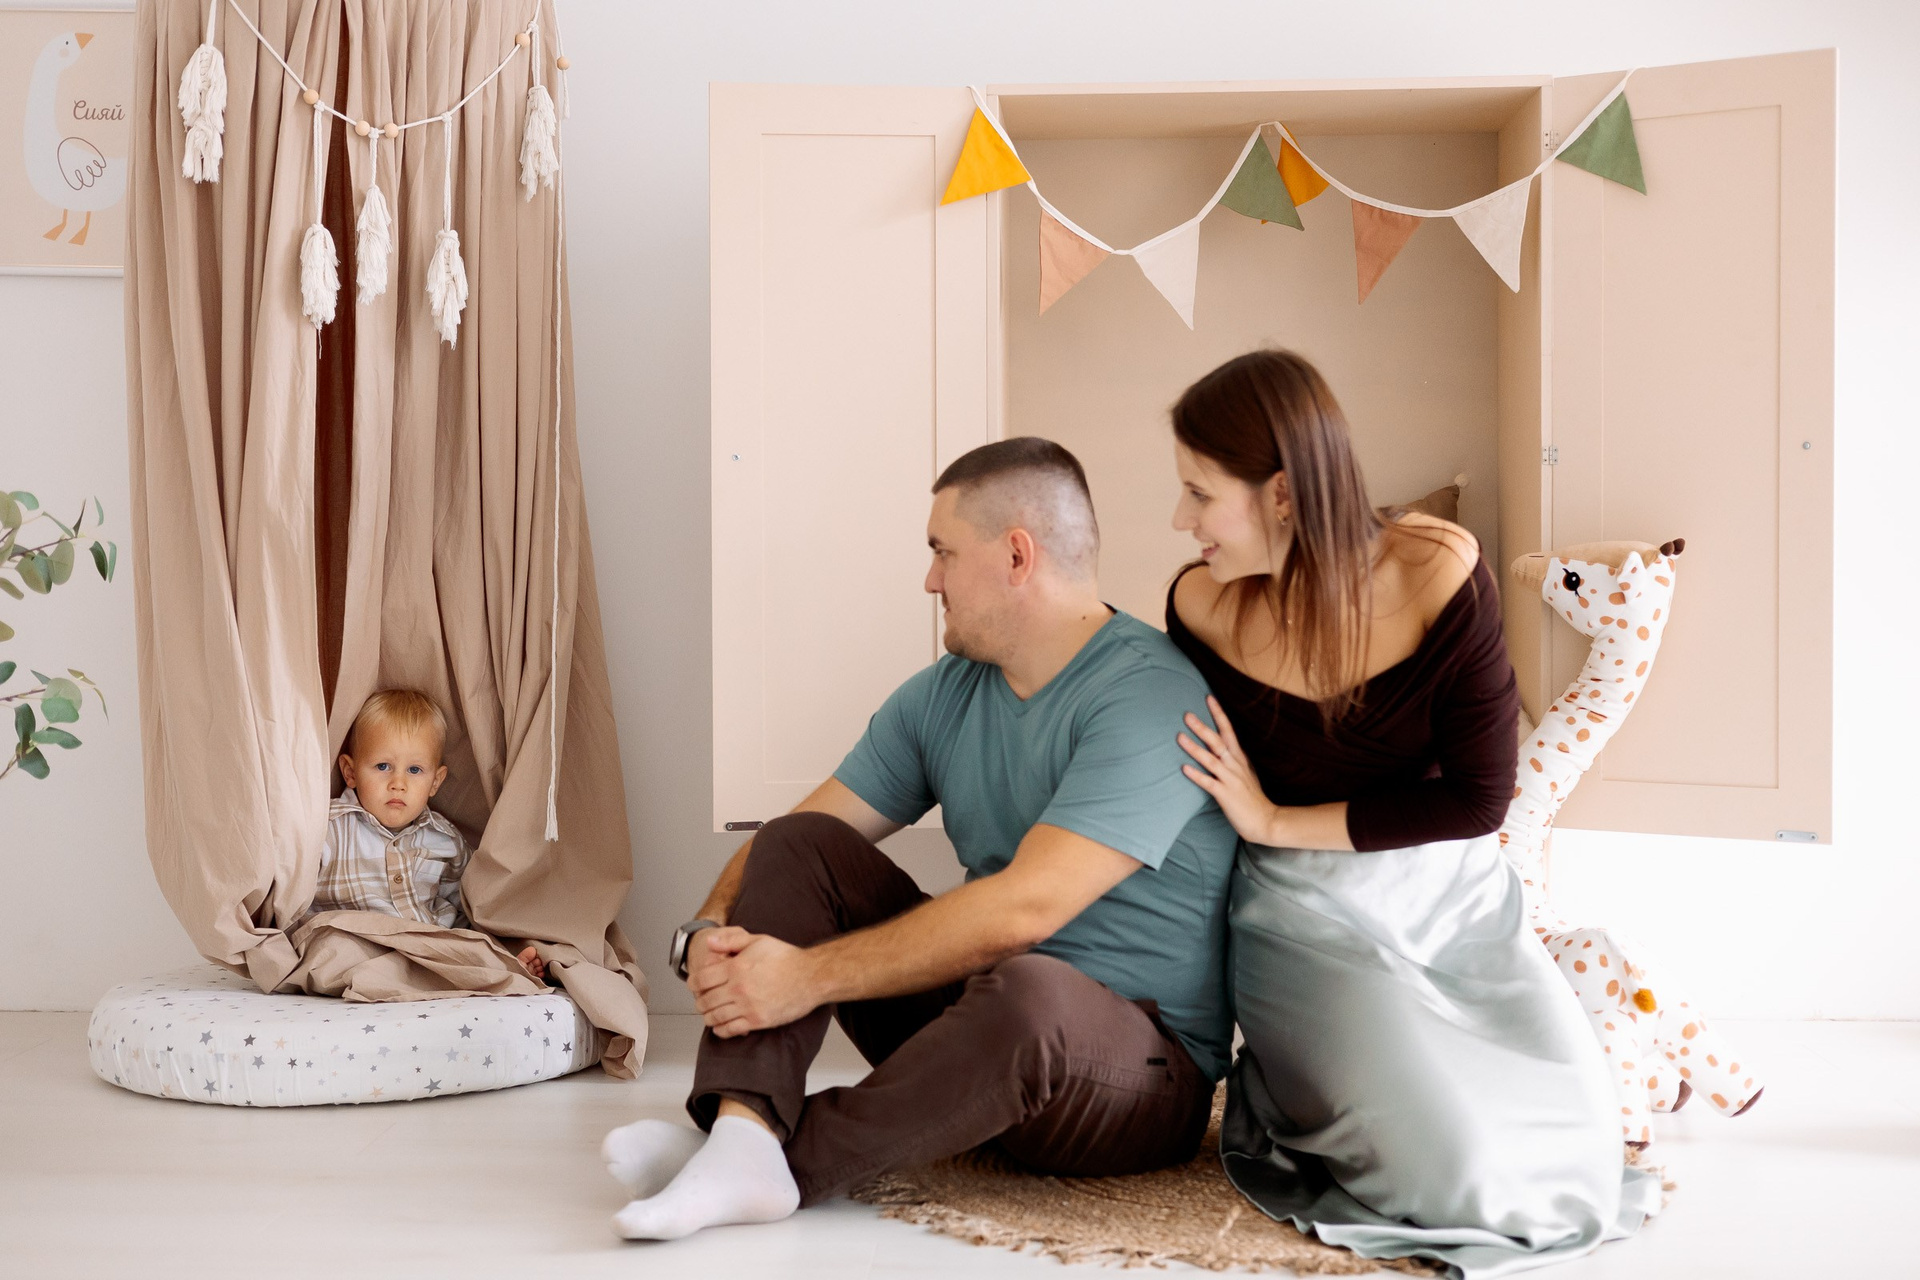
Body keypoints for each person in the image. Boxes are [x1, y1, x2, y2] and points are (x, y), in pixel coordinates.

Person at [601, 438, 1238, 1242]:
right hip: (981, 1030)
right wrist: (706, 928)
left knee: (1032, 987)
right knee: (800, 844)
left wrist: (805, 977)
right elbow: (802, 837)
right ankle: (742, 1131)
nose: (930, 579)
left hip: (1136, 1076)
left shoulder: (1149, 695)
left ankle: (775, 1159)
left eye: (943, 552)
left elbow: (1026, 911)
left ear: (1016, 555)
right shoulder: (945, 695)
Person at [1164, 350, 1661, 1278]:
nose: (1180, 521)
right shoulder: (1203, 609)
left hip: (1449, 891)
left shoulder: (1438, 567)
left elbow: (1477, 798)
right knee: (1464, 1172)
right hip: (1302, 915)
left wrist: (1273, 819)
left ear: (1282, 495)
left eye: (1198, 492)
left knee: (1585, 1154)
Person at [319, 689, 546, 981]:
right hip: (359, 945)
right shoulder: (330, 829)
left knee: (463, 945)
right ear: (350, 772)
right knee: (330, 947)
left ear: (435, 782)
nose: (398, 783)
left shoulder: (444, 840)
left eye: (414, 770)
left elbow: (466, 910)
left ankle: (503, 966)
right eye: (383, 766)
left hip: (428, 950)